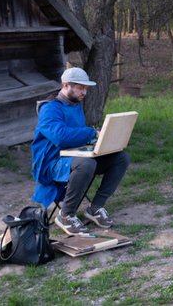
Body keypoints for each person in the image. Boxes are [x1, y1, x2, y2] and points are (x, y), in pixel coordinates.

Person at [31, 67, 130, 235]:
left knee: (121, 158)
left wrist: (101, 139)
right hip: (51, 164)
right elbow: (60, 137)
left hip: (74, 157)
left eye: (86, 88)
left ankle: (96, 207)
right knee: (86, 164)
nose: (84, 92)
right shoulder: (49, 109)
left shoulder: (75, 105)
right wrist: (91, 132)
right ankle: (66, 215)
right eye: (80, 87)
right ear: (66, 85)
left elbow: (76, 137)